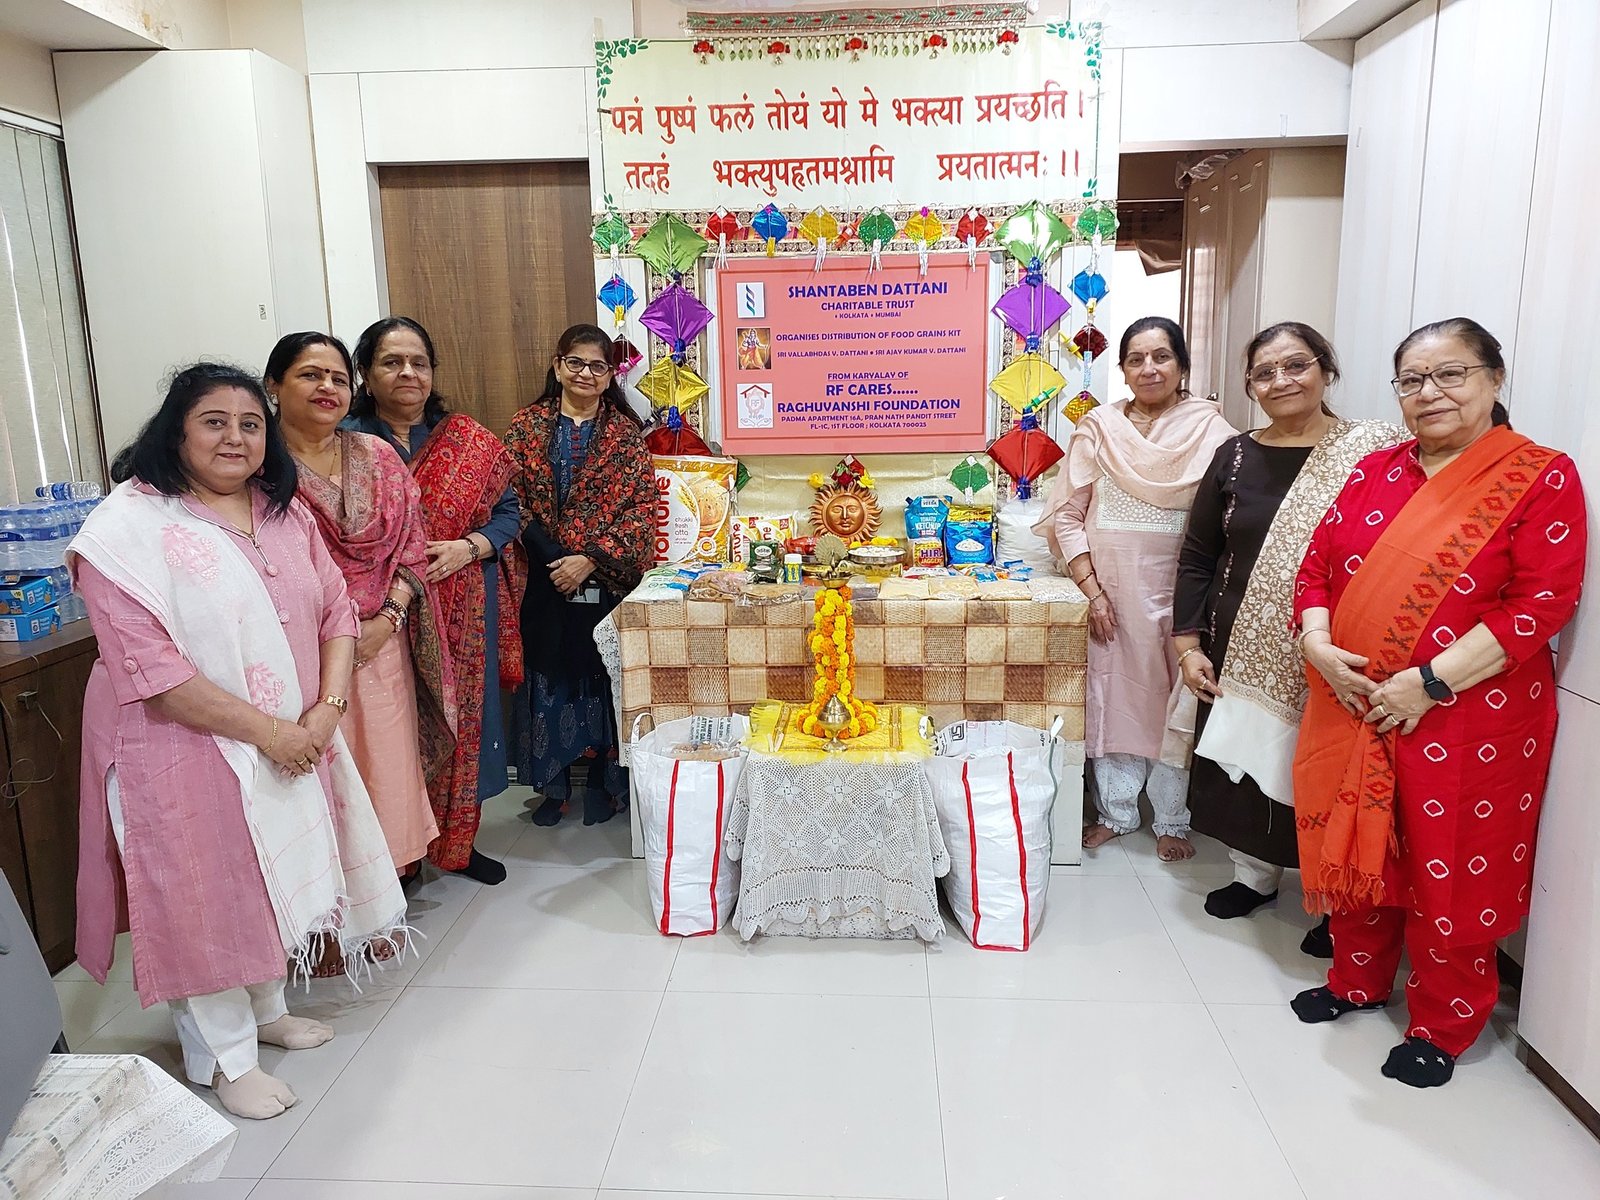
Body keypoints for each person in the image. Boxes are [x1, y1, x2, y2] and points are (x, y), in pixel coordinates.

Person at [70, 364, 406, 1120]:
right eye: (214, 421)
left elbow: (337, 614)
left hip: (293, 733)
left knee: (262, 880)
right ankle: (224, 1059)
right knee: (203, 898)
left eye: (250, 423)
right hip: (176, 743)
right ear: (176, 433)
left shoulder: (281, 512)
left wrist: (326, 711)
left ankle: (266, 1011)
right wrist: (277, 733)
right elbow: (154, 672)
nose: (235, 437)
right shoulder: (126, 530)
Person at [1289, 318, 1585, 1087]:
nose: (1431, 393)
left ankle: (1444, 1024)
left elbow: (1541, 604)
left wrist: (1426, 682)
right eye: (1413, 380)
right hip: (1353, 702)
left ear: (1494, 379)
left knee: (1447, 863)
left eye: (1451, 374)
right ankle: (1354, 980)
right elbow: (1316, 567)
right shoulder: (1376, 470)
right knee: (1363, 841)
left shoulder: (1540, 476)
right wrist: (1318, 643)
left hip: (1466, 715)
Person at [1172, 323, 1403, 944]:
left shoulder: (1375, 453)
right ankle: (1255, 876)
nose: (1281, 381)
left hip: (1339, 646)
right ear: (1250, 386)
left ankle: (1333, 901)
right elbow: (1198, 555)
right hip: (1240, 640)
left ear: (1326, 369)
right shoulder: (1236, 455)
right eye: (1264, 373)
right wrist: (1187, 644)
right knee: (1251, 764)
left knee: (1329, 767)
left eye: (1296, 365)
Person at [1036, 316, 1236, 861]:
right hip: (1112, 595)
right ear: (1122, 370)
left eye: (1161, 356)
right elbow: (1068, 517)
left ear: (1182, 365)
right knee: (1113, 697)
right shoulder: (1098, 429)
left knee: (1177, 700)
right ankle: (1117, 813)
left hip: (1184, 595)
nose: (1148, 368)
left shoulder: (1213, 433)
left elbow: (1224, 523)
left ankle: (1172, 817)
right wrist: (1093, 592)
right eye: (1135, 359)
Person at [267, 332, 456, 879]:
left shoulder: (378, 456)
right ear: (273, 385)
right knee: (321, 769)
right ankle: (326, 892)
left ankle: (386, 883)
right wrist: (342, 634)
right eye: (310, 375)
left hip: (381, 643)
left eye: (337, 378)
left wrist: (388, 619)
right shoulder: (259, 469)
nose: (327, 387)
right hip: (302, 650)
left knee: (387, 765)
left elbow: (413, 546)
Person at [345, 317, 526, 886]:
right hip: (379, 616)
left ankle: (457, 845)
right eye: (391, 362)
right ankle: (397, 854)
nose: (408, 373)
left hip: (462, 608)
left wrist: (471, 546)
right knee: (393, 731)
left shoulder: (468, 441)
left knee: (463, 724)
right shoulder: (345, 443)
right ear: (366, 373)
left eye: (418, 363)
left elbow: (510, 514)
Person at [504, 324, 654, 826]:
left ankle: (604, 787)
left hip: (605, 579)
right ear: (558, 365)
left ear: (610, 375)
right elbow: (508, 499)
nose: (585, 373)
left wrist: (588, 558)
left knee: (601, 678)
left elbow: (640, 512)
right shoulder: (526, 426)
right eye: (576, 362)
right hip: (543, 575)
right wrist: (555, 560)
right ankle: (554, 787)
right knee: (549, 676)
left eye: (597, 366)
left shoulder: (626, 436)